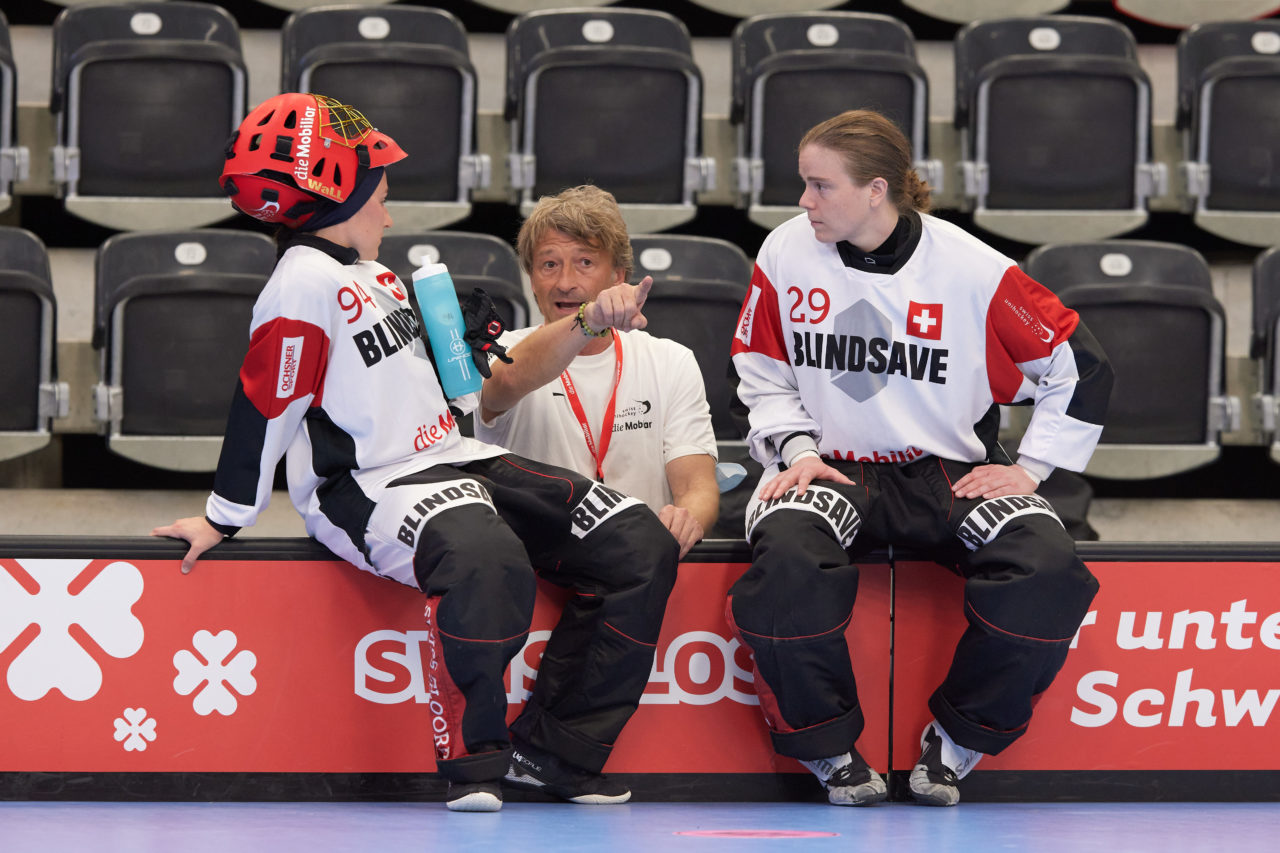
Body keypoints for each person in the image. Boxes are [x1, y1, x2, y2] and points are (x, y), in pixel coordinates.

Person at [151, 94, 678, 813]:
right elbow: (267, 401)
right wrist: (224, 516)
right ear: (338, 188)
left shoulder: (372, 276)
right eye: (380, 195)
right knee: (484, 555)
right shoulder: (301, 281)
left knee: (635, 538)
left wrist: (453, 351)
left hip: (449, 456)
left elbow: (417, 391)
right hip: (366, 484)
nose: (389, 213)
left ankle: (553, 752)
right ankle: (476, 763)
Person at [726, 110, 1113, 807]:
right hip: (831, 464)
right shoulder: (784, 250)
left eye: (820, 186)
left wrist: (1030, 468)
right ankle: (829, 748)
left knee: (1050, 571)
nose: (804, 202)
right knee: (784, 565)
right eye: (804, 185)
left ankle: (959, 740)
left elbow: (1081, 367)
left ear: (876, 189)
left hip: (946, 469)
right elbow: (760, 368)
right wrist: (796, 448)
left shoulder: (974, 267)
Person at [474, 185, 719, 558]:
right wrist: (588, 319)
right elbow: (506, 379)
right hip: (533, 569)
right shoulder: (498, 352)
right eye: (549, 264)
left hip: (638, 563)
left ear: (617, 276)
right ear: (532, 279)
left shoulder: (671, 361)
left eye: (585, 262)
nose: (565, 282)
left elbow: (696, 485)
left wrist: (687, 519)